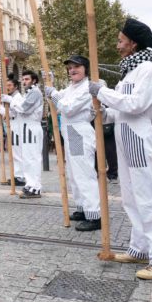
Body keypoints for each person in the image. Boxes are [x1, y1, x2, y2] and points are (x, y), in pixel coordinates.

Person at [90, 18, 152, 280]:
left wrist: (103, 93)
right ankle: (140, 248)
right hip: (124, 135)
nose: (118, 45)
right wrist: (104, 110)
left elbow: (136, 105)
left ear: (133, 43)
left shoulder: (147, 70)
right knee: (131, 197)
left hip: (138, 135)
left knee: (148, 196)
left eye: (121, 40)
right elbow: (121, 109)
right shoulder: (129, 72)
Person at [46, 55, 100, 231]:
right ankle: (83, 208)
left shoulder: (87, 87)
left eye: (76, 66)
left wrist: (53, 94)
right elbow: (57, 97)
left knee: (84, 174)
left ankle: (94, 214)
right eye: (69, 68)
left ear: (85, 68)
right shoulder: (71, 87)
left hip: (79, 131)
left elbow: (67, 108)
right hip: (70, 133)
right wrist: (50, 83)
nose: (72, 70)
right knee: (74, 174)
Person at [5, 70, 43, 199]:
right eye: (23, 79)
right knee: (27, 158)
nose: (24, 81)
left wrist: (10, 100)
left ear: (34, 80)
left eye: (27, 79)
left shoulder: (35, 92)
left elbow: (23, 108)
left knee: (32, 158)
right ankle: (30, 184)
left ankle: (35, 187)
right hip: (26, 127)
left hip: (31, 127)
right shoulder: (29, 93)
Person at [0, 74, 25, 187]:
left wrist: (1, 107)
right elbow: (9, 114)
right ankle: (17, 174)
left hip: (18, 126)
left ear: (15, 87)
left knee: (18, 152)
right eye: (6, 85)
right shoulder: (12, 98)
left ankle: (20, 176)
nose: (7, 87)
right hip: (13, 125)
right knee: (15, 152)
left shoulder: (17, 97)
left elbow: (13, 112)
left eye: (9, 85)